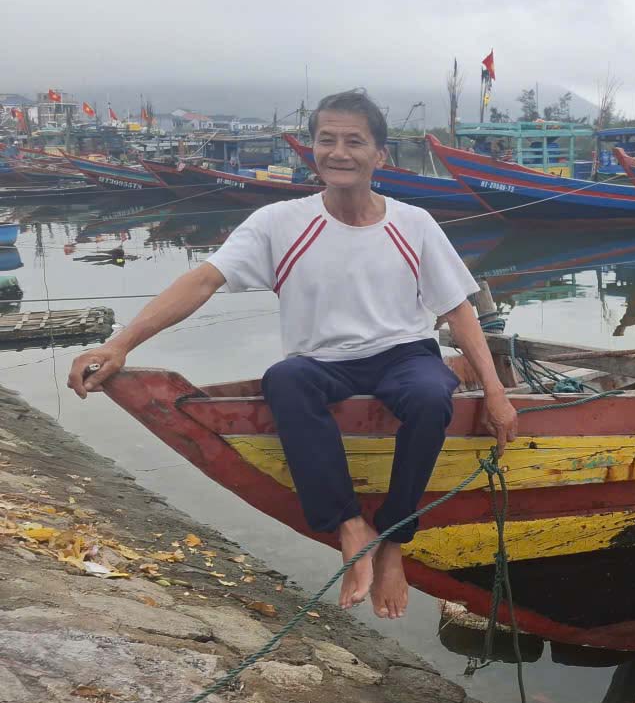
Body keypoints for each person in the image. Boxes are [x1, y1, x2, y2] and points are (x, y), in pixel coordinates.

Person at [67, 90, 517, 621]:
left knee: (428, 393)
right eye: (327, 140)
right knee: (285, 380)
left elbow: (458, 309)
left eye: (355, 141)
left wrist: (494, 392)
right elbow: (202, 280)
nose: (339, 152)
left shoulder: (413, 223)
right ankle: (351, 527)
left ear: (380, 155)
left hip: (403, 352)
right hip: (321, 360)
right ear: (311, 150)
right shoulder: (279, 222)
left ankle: (393, 537)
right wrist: (120, 344)